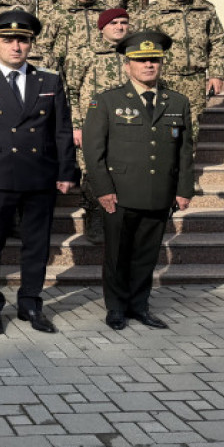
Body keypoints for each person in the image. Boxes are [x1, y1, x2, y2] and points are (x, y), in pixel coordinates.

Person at [0, 10, 79, 336]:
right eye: (8, 40)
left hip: (39, 175)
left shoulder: (49, 80)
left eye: (22, 40)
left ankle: (30, 302)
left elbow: (62, 130)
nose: (16, 46)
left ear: (31, 44)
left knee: (37, 245)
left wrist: (66, 171)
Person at [82, 30, 194, 331]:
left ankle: (139, 305)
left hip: (159, 193)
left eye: (154, 60)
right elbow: (94, 152)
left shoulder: (177, 102)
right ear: (127, 64)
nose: (149, 65)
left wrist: (184, 190)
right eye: (141, 60)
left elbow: (185, 151)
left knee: (146, 255)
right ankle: (116, 308)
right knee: (118, 255)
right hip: (119, 195)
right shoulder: (106, 101)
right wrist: (102, 190)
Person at [137, 0, 224, 144]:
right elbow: (140, 47)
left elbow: (217, 42)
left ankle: (186, 169)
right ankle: (167, 169)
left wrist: (216, 74)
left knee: (191, 126)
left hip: (195, 78)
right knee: (165, 125)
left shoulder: (206, 10)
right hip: (164, 78)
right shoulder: (152, 12)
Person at [66, 8, 131, 243]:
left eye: (124, 22)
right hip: (91, 124)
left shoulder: (134, 52)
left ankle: (118, 219)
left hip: (126, 125)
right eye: (114, 23)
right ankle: (94, 218)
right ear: (102, 27)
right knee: (92, 172)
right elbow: (71, 91)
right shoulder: (83, 53)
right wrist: (76, 125)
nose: (120, 27)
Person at [38, 0, 106, 74]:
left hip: (98, 73)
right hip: (66, 74)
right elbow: (43, 47)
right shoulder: (56, 12)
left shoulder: (105, 12)